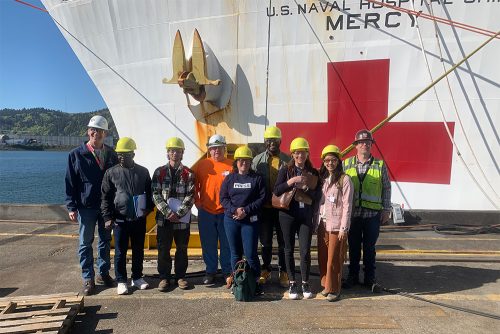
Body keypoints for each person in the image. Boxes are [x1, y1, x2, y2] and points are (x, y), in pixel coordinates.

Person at [65, 115, 118, 295]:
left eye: (100, 131)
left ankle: (103, 273)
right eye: (93, 130)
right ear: (88, 132)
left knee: (105, 241)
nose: (96, 133)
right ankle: (88, 277)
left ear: (105, 133)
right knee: (85, 243)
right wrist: (71, 206)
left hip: (106, 207)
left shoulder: (111, 154)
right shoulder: (76, 154)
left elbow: (116, 181)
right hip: (85, 206)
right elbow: (70, 182)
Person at [101, 137, 153, 295]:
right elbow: (105, 197)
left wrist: (148, 209)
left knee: (138, 250)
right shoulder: (111, 173)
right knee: (120, 252)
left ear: (133, 154)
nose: (122, 157)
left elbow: (150, 194)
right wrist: (107, 217)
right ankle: (121, 281)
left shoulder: (143, 172)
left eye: (126, 154)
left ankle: (137, 278)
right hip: (120, 220)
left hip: (138, 219)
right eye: (120, 154)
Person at [343, 129, 391, 292]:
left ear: (372, 145)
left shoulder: (380, 164)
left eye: (368, 142)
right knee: (354, 247)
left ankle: (370, 278)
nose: (365, 144)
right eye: (361, 142)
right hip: (353, 215)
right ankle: (353, 276)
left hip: (372, 215)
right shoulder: (346, 164)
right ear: (355, 145)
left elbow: (386, 187)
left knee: (369, 248)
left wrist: (386, 209)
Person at [273, 137, 319, 300]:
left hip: (305, 215)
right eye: (297, 152)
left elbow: (317, 196)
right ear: (292, 154)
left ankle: (305, 282)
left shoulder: (313, 172)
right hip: (287, 215)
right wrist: (291, 181)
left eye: (303, 152)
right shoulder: (285, 170)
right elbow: (277, 190)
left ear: (307, 153)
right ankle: (293, 283)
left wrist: (306, 187)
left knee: (305, 250)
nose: (300, 156)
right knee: (288, 249)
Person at [220, 146, 266, 295]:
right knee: (235, 253)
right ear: (236, 162)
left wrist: (245, 210)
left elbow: (262, 198)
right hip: (231, 220)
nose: (244, 163)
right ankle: (237, 281)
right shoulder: (230, 178)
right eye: (241, 161)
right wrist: (235, 210)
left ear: (250, 162)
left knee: (251, 253)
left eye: (247, 161)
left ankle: (255, 281)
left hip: (250, 221)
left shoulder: (257, 178)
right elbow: (223, 198)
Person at [152, 137, 195, 292]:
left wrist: (180, 212)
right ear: (168, 153)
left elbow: (191, 195)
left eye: (178, 151)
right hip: (164, 219)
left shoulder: (188, 173)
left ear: (182, 153)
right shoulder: (159, 172)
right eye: (172, 151)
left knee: (182, 248)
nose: (175, 153)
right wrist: (168, 212)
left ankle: (180, 276)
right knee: (163, 248)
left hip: (182, 220)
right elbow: (155, 194)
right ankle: (164, 277)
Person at [252, 126, 290, 287]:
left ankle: (284, 271)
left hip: (282, 208)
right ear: (265, 142)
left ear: (280, 141)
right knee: (266, 242)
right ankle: (266, 269)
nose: (272, 143)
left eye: (275, 140)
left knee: (283, 242)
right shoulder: (257, 160)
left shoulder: (288, 160)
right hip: (265, 209)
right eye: (269, 140)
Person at [192, 134, 233, 285]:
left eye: (219, 148)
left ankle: (227, 271)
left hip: (225, 212)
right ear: (209, 150)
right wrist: (197, 201)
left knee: (226, 243)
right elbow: (194, 185)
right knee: (208, 243)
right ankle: (210, 271)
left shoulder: (232, 165)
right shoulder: (202, 165)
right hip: (206, 212)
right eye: (213, 148)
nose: (216, 151)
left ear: (224, 148)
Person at [316, 145, 353, 302]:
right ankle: (326, 285)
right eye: (326, 160)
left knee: (334, 258)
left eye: (333, 160)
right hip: (322, 224)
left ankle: (334, 289)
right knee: (323, 257)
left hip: (337, 225)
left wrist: (344, 228)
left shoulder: (345, 180)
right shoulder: (323, 179)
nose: (329, 163)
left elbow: (347, 205)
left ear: (338, 161)